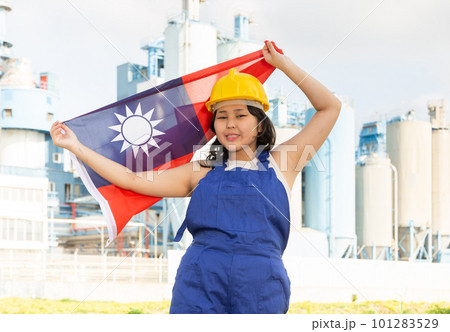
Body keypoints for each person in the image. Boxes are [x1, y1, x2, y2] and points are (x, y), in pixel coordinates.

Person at [50, 41, 341, 314]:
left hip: (261, 284)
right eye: (221, 116)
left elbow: (330, 107)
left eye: (240, 115)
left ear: (260, 123)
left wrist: (284, 65)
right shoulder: (200, 171)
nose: (229, 124)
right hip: (200, 282)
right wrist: (77, 147)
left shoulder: (283, 163)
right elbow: (132, 180)